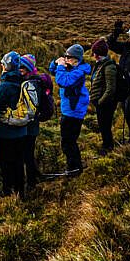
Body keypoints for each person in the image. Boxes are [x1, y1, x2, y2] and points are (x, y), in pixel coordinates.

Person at [48, 44, 91, 174]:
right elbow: (52, 70)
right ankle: (74, 167)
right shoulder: (73, 69)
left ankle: (74, 168)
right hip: (69, 110)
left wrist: (61, 66)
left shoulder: (78, 72)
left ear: (76, 59)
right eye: (65, 56)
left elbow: (63, 81)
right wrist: (56, 63)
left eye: (68, 57)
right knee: (68, 141)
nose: (66, 59)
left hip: (73, 112)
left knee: (68, 142)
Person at [0, 52, 29, 198]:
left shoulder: (6, 85)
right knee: (19, 162)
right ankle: (21, 191)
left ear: (6, 66)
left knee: (6, 163)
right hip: (22, 131)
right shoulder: (22, 82)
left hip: (6, 133)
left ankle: (8, 192)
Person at [19, 54, 51, 185]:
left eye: (22, 67)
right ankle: (34, 175)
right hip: (33, 124)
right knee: (29, 153)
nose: (19, 69)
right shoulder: (36, 81)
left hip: (29, 125)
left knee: (26, 154)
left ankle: (31, 181)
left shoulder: (31, 84)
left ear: (27, 68)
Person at [88, 38, 120, 154]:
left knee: (105, 126)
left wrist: (101, 101)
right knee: (103, 125)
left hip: (107, 103)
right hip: (100, 101)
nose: (93, 55)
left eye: (95, 52)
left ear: (99, 53)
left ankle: (108, 147)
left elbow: (111, 88)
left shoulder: (109, 67)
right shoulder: (99, 65)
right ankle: (106, 145)